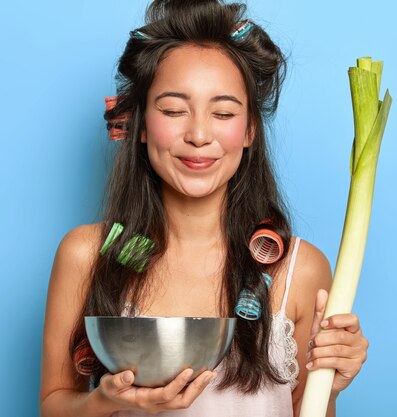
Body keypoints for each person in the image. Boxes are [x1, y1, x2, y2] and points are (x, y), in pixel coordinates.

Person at [39, 1, 369, 416]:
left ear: (249, 129)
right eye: (174, 110)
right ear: (139, 125)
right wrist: (104, 400)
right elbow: (53, 405)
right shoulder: (90, 253)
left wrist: (330, 386)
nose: (198, 134)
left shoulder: (295, 270)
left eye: (224, 112)